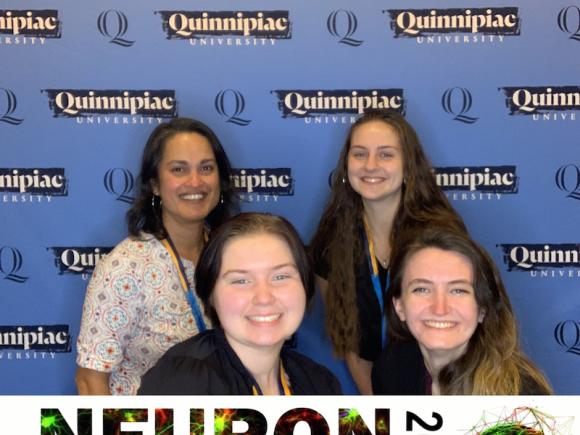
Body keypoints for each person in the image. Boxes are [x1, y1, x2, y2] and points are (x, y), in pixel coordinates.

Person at [76, 117, 238, 395]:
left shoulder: (233, 255)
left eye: (207, 168)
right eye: (179, 169)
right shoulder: (126, 267)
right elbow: (91, 381)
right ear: (154, 184)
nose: (195, 181)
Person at [310, 108, 466, 394]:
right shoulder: (332, 239)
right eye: (359, 154)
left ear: (408, 165)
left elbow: (461, 331)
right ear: (346, 165)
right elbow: (348, 337)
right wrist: (381, 414)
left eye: (385, 154)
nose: (370, 165)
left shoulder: (442, 236)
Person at [138, 213, 342, 395]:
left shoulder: (319, 383)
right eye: (241, 281)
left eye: (280, 277)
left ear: (305, 285)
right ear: (210, 294)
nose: (264, 297)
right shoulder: (183, 384)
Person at [372, 228, 552, 395]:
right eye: (422, 289)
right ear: (399, 307)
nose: (439, 309)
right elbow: (369, 426)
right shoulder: (390, 367)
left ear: (482, 309)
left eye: (458, 290)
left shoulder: (522, 394)